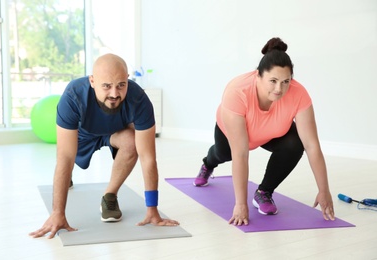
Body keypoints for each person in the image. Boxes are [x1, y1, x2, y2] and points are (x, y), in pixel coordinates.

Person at [30, 53, 179, 239]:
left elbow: (148, 158)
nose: (115, 93)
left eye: (121, 85)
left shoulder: (139, 100)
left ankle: (110, 196)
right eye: (107, 86)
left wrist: (152, 209)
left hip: (114, 132)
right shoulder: (72, 96)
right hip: (82, 135)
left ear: (127, 80)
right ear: (92, 81)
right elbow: (65, 156)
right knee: (67, 163)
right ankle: (67, 179)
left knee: (132, 141)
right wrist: (57, 213)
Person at [193, 37, 335, 226]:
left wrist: (324, 190)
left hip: (270, 132)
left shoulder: (298, 94)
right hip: (233, 132)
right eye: (273, 81)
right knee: (223, 153)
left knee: (295, 143)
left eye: (286, 81)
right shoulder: (237, 91)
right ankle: (207, 164)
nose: (279, 89)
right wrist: (240, 204)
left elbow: (312, 145)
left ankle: (264, 192)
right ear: (258, 75)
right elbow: (241, 154)